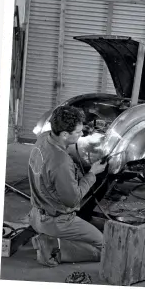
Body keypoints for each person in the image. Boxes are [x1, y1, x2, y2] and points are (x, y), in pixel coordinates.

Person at [27, 105, 108, 267]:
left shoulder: (44, 138)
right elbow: (73, 200)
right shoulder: (61, 162)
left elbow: (60, 147)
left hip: (36, 214)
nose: (81, 135)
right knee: (106, 248)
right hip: (56, 222)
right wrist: (92, 173)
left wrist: (79, 130)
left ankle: (51, 238)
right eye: (78, 133)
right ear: (64, 134)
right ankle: (52, 248)